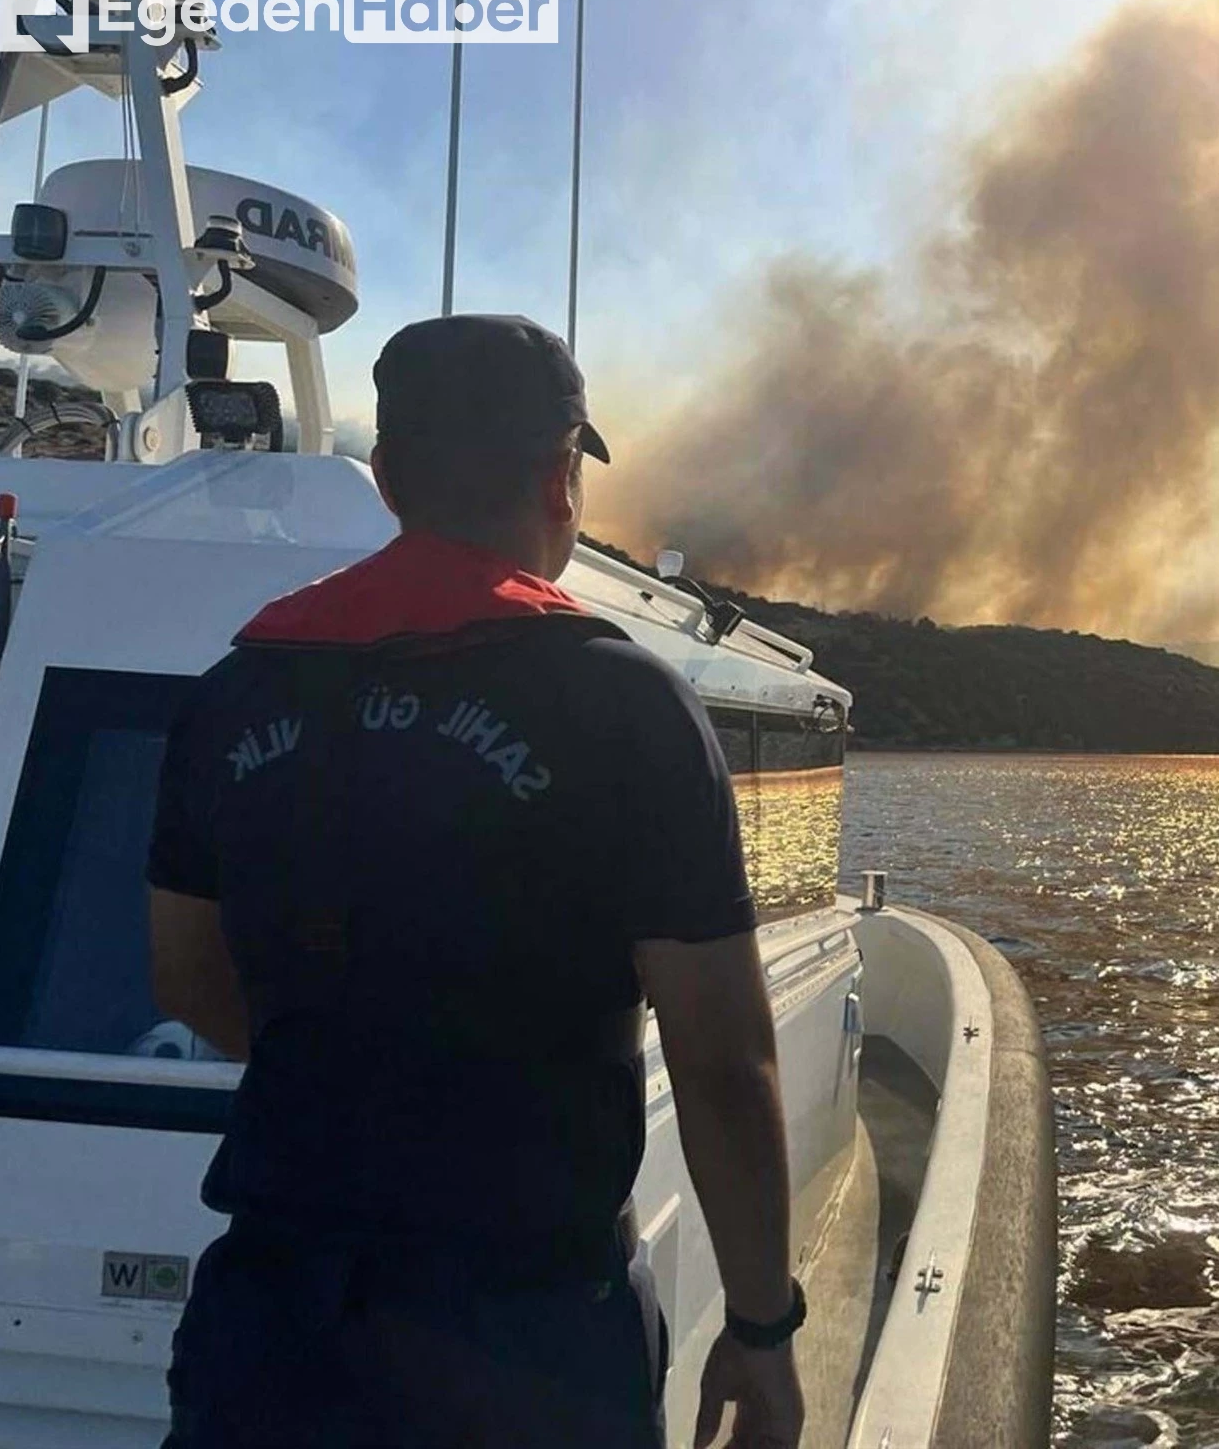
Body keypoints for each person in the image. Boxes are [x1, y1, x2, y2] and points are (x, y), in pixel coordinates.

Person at [147, 314, 806, 1449]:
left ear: (389, 475)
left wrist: (358, 1055)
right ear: (561, 477)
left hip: (272, 1325)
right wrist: (762, 1324)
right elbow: (723, 1065)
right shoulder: (622, 705)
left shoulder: (233, 695)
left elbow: (187, 980)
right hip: (527, 1335)